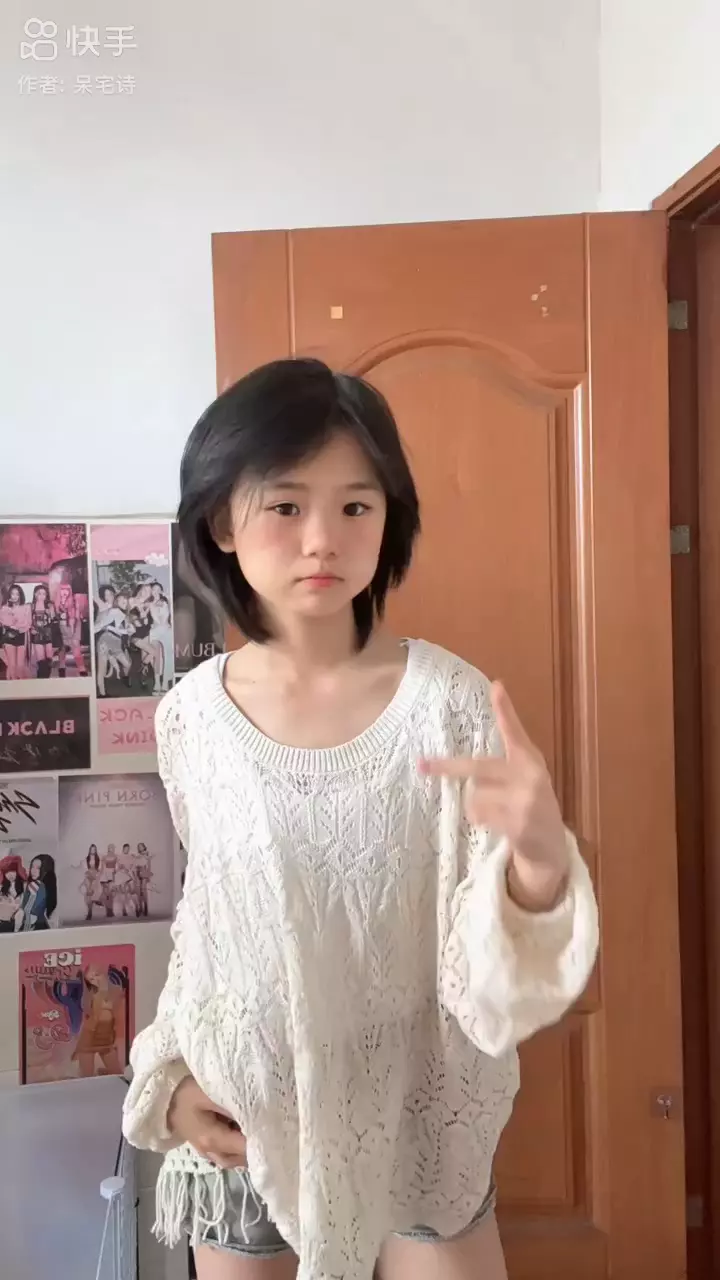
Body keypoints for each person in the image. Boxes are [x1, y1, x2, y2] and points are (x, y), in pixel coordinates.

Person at [121, 359, 599, 1280]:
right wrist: (169, 1079)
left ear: (389, 519)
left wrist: (541, 862)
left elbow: (491, 971)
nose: (322, 540)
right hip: (241, 1129)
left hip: (422, 1127)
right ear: (223, 522)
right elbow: (211, 926)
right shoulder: (188, 719)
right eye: (285, 504)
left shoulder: (451, 704)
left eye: (355, 506)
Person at [0, 583, 31, 679]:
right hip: (9, 636)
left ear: (20, 595)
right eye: (12, 594)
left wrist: (17, 627)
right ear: (9, 595)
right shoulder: (5, 608)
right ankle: (12, 684)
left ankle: (20, 684)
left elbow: (27, 623)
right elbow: (5, 622)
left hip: (21, 635)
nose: (15, 596)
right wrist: (10, 611)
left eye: (17, 594)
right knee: (12, 664)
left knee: (20, 665)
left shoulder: (26, 607)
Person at [29, 584, 55, 678]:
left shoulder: (49, 605)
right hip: (37, 633)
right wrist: (31, 629)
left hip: (48, 633)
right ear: (35, 594)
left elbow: (53, 619)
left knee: (49, 660)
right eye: (39, 593)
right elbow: (28, 621)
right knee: (41, 661)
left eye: (44, 594)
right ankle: (41, 680)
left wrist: (51, 610)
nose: (42, 596)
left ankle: (46, 679)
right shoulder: (31, 606)